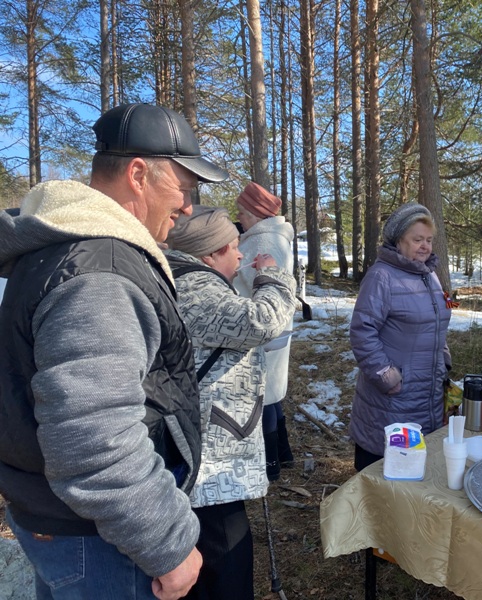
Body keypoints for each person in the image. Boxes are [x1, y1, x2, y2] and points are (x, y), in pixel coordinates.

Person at [0, 103, 229, 600]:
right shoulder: (99, 270)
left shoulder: (61, 247)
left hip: (62, 519)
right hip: (101, 539)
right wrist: (167, 543)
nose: (189, 206)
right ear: (139, 174)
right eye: (185, 187)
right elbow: (94, 438)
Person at [165, 205, 296, 600]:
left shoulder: (190, 284)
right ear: (208, 255)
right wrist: (272, 274)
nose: (240, 255)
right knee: (225, 566)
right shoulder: (194, 290)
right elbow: (263, 320)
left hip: (209, 456)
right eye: (231, 248)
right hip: (207, 466)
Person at [349, 203, 452, 471]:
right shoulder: (381, 277)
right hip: (393, 395)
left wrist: (444, 356)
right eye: (417, 239)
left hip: (427, 389)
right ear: (398, 241)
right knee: (382, 466)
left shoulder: (430, 276)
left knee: (414, 467)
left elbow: (437, 322)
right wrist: (385, 374)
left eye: (429, 240)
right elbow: (362, 331)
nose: (425, 246)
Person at [234, 181, 297, 481]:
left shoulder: (264, 242)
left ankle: (270, 463)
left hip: (263, 325)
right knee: (272, 392)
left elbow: (256, 284)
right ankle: (282, 455)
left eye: (243, 213)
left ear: (256, 214)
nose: (240, 218)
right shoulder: (272, 237)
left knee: (265, 395)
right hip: (274, 324)